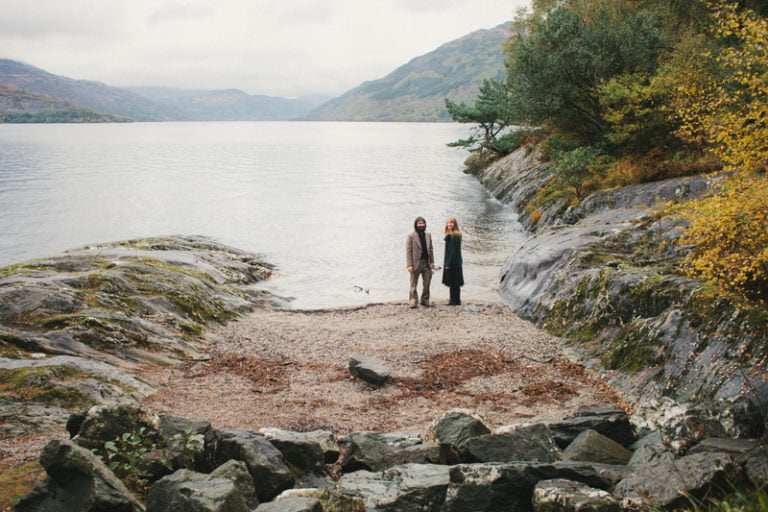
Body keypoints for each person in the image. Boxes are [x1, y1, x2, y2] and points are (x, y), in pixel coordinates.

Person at [406, 216, 435, 308]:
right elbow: (408, 251)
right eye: (419, 223)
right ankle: (413, 300)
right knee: (413, 284)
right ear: (416, 225)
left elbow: (431, 249)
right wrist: (409, 265)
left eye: (423, 223)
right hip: (415, 264)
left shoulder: (428, 235)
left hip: (427, 263)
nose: (421, 225)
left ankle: (425, 299)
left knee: (427, 283)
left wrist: (432, 262)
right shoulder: (411, 236)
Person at [442, 217, 464, 305]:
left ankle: (453, 301)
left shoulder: (454, 236)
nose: (449, 225)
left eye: (451, 223)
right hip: (457, 262)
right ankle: (456, 300)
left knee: (453, 282)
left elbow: (452, 251)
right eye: (448, 223)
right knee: (456, 282)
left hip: (453, 262)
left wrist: (448, 264)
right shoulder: (456, 235)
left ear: (455, 225)